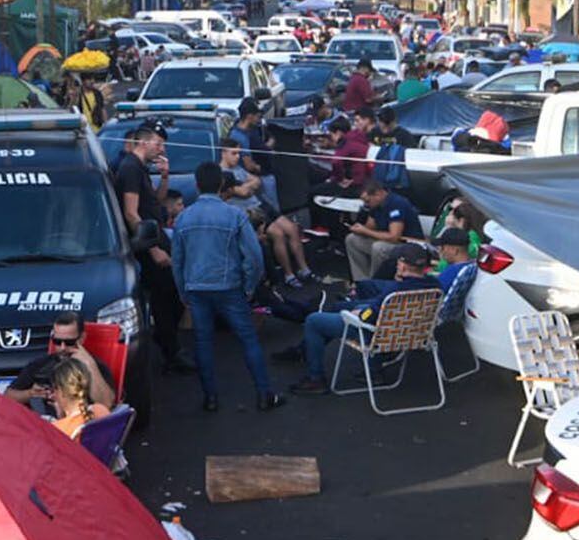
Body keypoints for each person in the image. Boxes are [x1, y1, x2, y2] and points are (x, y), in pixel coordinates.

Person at [172, 162, 284, 413]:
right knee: (248, 339)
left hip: (197, 288)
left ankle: (210, 398)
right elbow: (254, 256)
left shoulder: (184, 218)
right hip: (229, 287)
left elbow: (177, 260)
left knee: (203, 342)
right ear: (222, 185)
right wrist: (248, 286)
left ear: (197, 185)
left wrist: (183, 291)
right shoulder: (235, 215)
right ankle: (264, 394)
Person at [286, 242, 440, 394]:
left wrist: (357, 314)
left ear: (404, 265)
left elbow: (369, 317)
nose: (397, 264)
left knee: (314, 321)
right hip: (412, 333)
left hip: (376, 333)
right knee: (352, 307)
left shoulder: (394, 292)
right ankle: (374, 371)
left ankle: (316, 378)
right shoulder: (435, 286)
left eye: (399, 261)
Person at [110, 125, 188, 373]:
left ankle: (170, 345)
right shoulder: (130, 169)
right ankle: (170, 352)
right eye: (158, 144)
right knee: (165, 299)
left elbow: (154, 201)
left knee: (173, 295)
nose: (161, 149)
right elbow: (131, 213)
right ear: (142, 143)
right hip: (149, 244)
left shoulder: (140, 168)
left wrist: (164, 176)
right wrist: (153, 248)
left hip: (157, 236)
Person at [218, 138, 311, 288]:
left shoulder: (238, 169)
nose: (237, 157)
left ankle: (304, 269)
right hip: (250, 211)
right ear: (223, 153)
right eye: (233, 153)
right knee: (278, 234)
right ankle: (289, 274)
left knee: (292, 228)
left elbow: (256, 181)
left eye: (239, 154)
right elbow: (243, 192)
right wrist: (248, 186)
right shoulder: (222, 174)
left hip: (260, 204)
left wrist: (248, 186)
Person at [3, 313, 116, 412]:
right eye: (57, 341)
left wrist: (89, 364)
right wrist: (30, 394)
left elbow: (107, 403)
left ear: (81, 338)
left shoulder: (94, 366)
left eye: (69, 342)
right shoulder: (40, 365)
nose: (62, 348)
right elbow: (7, 397)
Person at [344, 180, 424, 282]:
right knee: (352, 239)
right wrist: (359, 229)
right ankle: (361, 281)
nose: (366, 204)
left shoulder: (396, 203)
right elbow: (370, 227)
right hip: (386, 241)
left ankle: (375, 282)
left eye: (368, 201)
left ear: (378, 194)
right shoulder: (375, 206)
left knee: (379, 247)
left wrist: (365, 231)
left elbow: (394, 236)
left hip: (406, 244)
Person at [47, 357, 111, 439]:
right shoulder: (101, 410)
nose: (52, 395)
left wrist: (61, 419)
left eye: (54, 389)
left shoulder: (57, 430)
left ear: (62, 391)